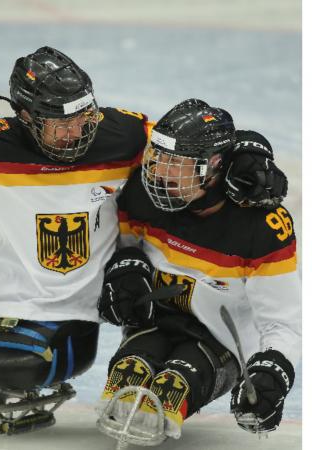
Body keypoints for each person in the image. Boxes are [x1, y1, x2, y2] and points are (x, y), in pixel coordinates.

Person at [0, 47, 288, 424]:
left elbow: (191, 141)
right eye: (62, 126)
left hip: (73, 309)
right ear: (26, 116)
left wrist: (248, 150)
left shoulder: (122, 135)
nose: (77, 133)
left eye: (85, 117)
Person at [95, 99, 299, 443]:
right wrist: (125, 269)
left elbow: (285, 321)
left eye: (177, 164)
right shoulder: (141, 194)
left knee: (174, 384)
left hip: (218, 342)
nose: (159, 173)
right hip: (154, 324)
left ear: (215, 166)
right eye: (158, 158)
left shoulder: (260, 226)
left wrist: (273, 371)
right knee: (130, 369)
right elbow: (124, 250)